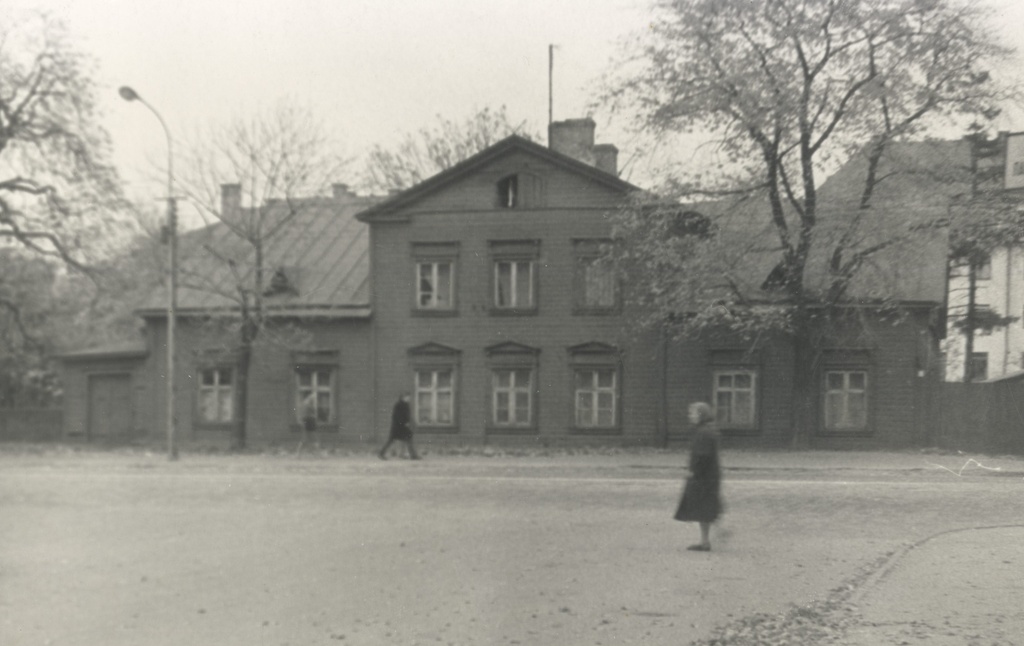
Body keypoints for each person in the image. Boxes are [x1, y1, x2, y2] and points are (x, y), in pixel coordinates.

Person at [674, 401, 722, 551]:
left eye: (693, 413)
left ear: (701, 415)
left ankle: (709, 538)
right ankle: (706, 540)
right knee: (706, 506)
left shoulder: (703, 432)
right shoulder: (706, 430)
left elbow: (702, 455)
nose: (690, 416)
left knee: (703, 506)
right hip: (709, 475)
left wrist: (693, 471)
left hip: (704, 476)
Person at [378, 392, 420, 460]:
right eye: (407, 397)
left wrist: (410, 422)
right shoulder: (398, 405)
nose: (409, 399)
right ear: (403, 397)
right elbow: (397, 416)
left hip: (404, 427)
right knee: (391, 440)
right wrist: (404, 423)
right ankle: (381, 453)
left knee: (409, 439)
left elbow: (407, 416)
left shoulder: (406, 405)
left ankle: (413, 455)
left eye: (409, 397)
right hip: (398, 427)